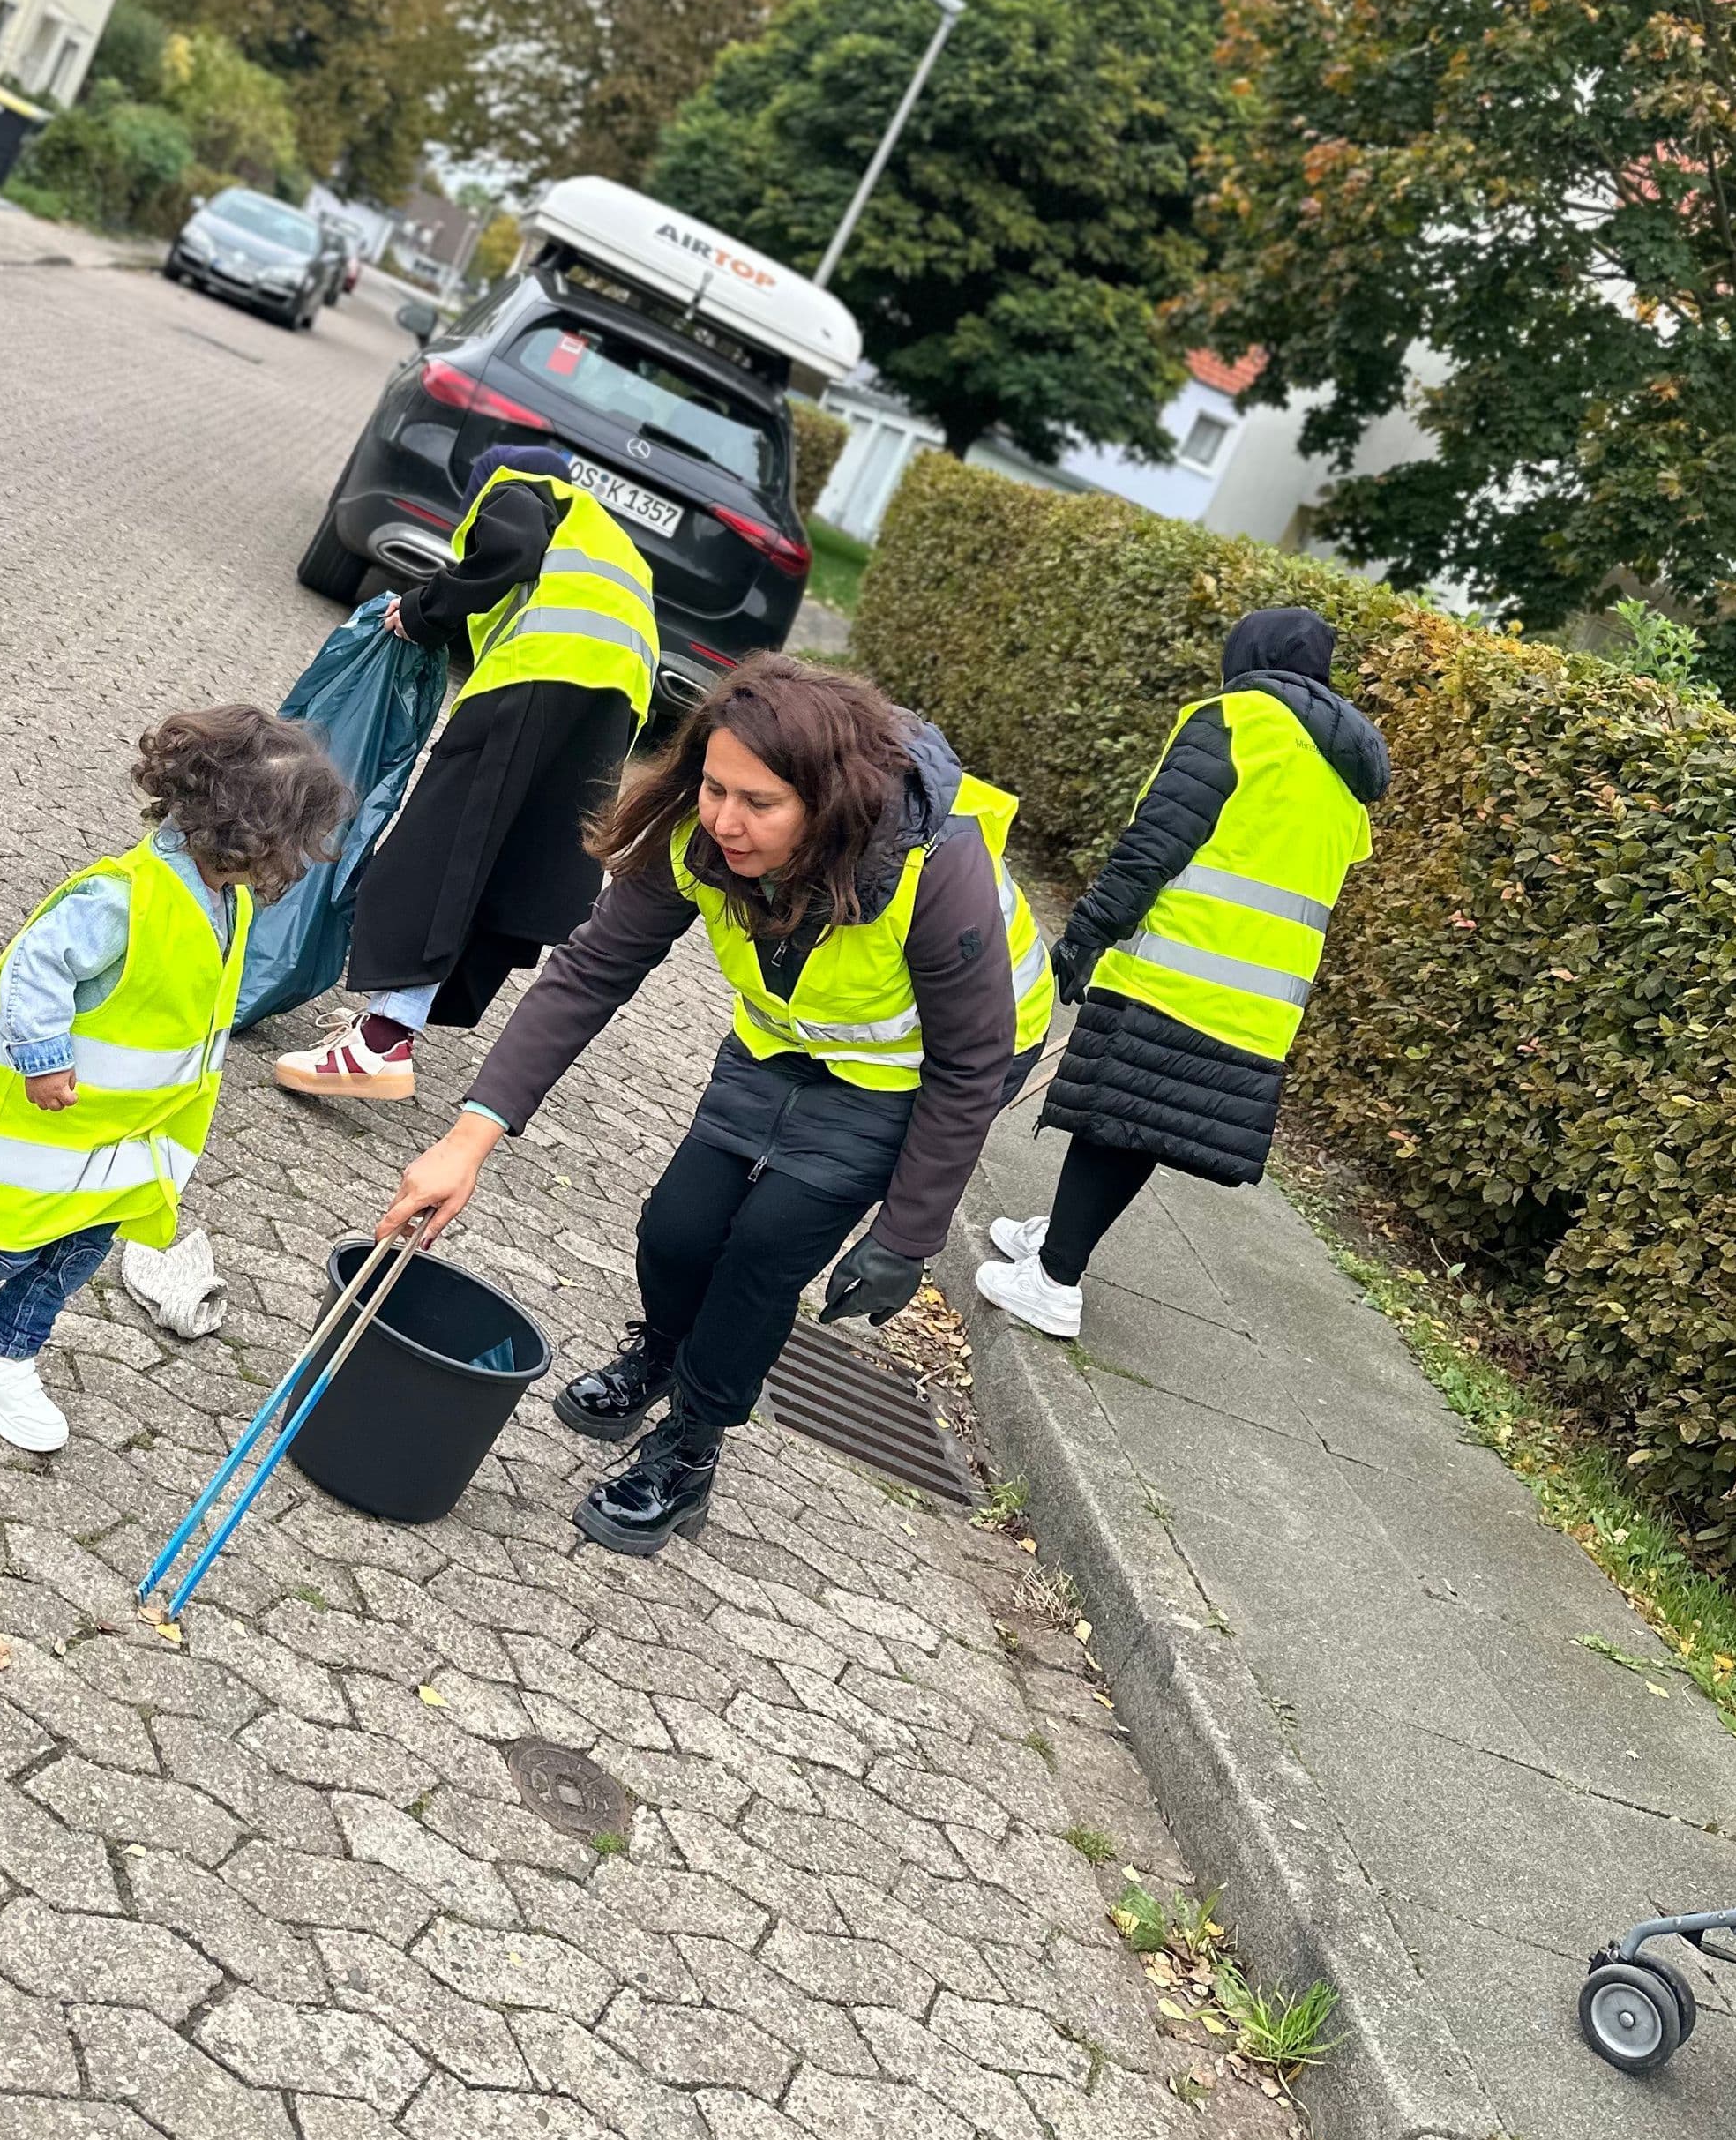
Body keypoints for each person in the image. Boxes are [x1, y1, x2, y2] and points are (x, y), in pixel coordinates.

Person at [374, 658, 1053, 1555]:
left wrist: (906, 1235)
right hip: (782, 1043)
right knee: (681, 1228)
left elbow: (970, 1063)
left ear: (831, 802)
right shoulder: (699, 839)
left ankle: (692, 1447)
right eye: (713, 787)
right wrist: (470, 1136)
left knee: (764, 1248)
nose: (725, 820)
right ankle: (661, 1352)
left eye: (760, 803)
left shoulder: (935, 870)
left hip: (925, 1067)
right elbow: (589, 972)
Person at [0, 704, 348, 1452]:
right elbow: (35, 968)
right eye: (295, 844)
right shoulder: (123, 896)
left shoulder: (227, 903)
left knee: (77, 1253)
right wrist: (44, 1058)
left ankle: (0, 1359)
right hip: (45, 1124)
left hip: (122, 1137)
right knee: (1, 1240)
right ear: (246, 833)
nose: (301, 863)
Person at [973, 604, 1388, 1343]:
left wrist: (1086, 938)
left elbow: (1152, 848)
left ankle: (1055, 1279)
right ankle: (1060, 1245)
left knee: (1115, 1120)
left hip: (1173, 969)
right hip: (1259, 1001)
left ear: (1247, 655)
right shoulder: (1343, 773)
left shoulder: (1235, 720)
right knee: (1137, 1124)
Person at [271, 442, 658, 1103]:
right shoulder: (608, 538)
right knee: (496, 867)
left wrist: (425, 612)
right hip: (611, 711)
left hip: (537, 683)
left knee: (441, 852)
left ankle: (381, 1046)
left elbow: (507, 549)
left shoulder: (520, 489)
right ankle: (394, 1020)